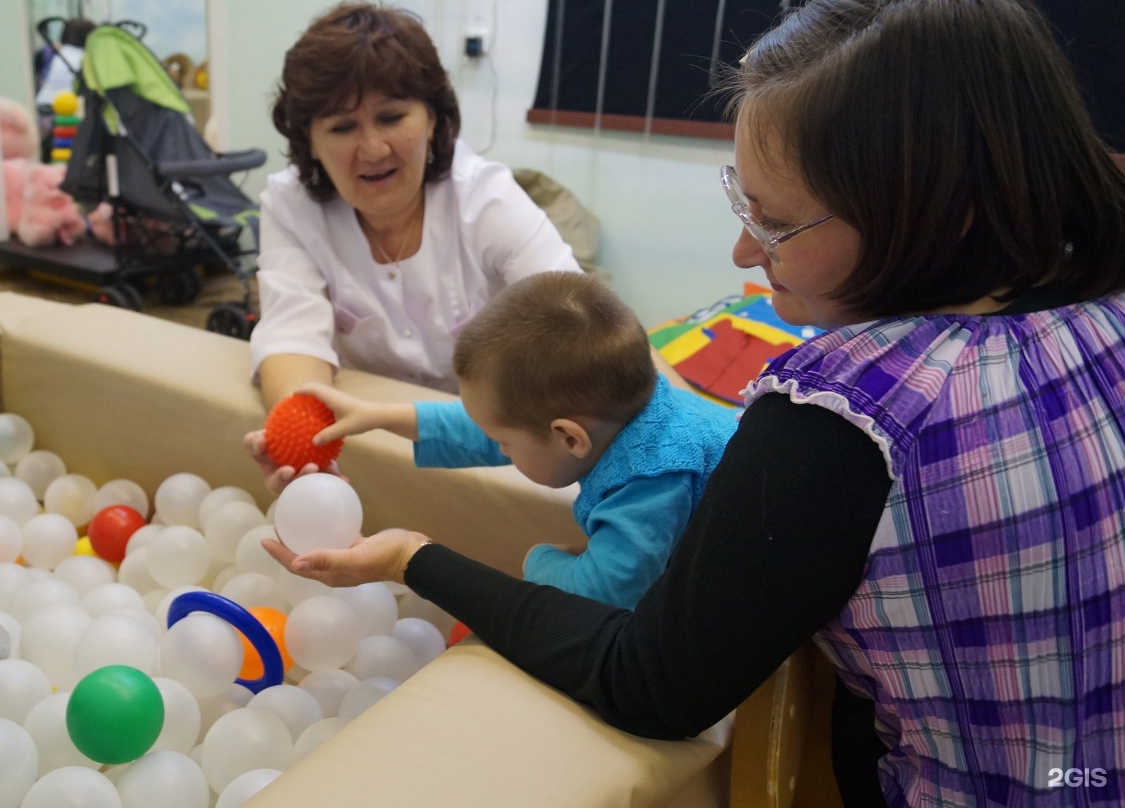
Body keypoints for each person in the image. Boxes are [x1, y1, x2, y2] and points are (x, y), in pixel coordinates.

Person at [261, 0, 1125, 805]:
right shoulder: (1100, 308)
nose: (746, 251)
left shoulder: (835, 423)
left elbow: (648, 682)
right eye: (739, 200)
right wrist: (383, 417)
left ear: (934, 216)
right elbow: (512, 414)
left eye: (776, 221)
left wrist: (419, 557)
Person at [247, 2, 686, 489]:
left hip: (491, 436)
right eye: (342, 127)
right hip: (373, 426)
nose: (372, 149)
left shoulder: (484, 197)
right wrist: (304, 442)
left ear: (433, 118)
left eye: (392, 117)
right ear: (309, 140)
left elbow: (585, 330)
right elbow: (292, 339)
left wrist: (697, 435)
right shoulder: (290, 206)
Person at [291, 271, 735, 609]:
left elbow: (607, 594)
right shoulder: (624, 405)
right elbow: (487, 426)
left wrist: (538, 562)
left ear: (569, 437)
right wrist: (380, 416)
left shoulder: (651, 479)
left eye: (505, 444)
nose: (497, 447)